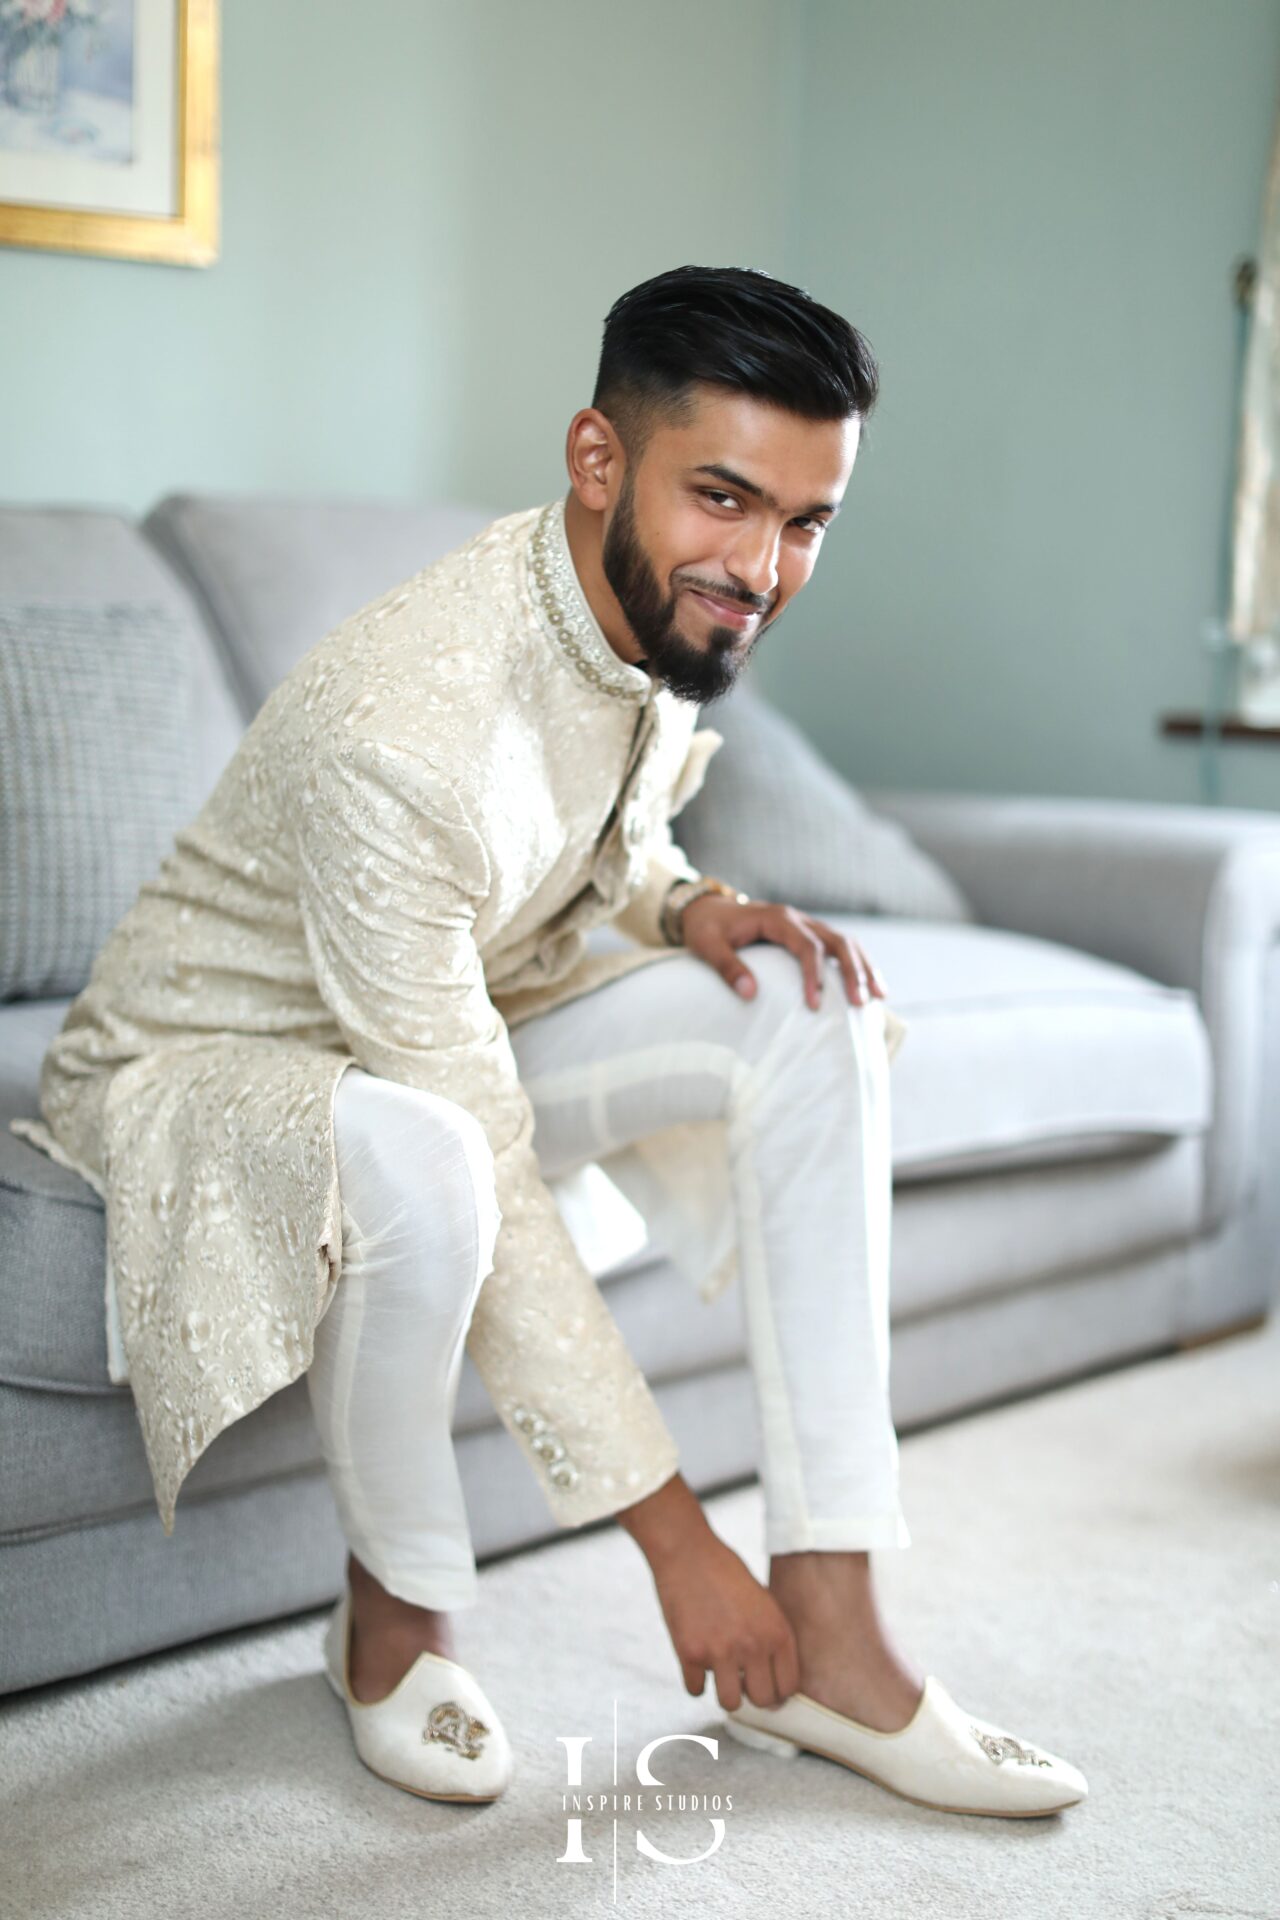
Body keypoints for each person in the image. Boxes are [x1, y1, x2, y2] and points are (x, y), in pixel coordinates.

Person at [11, 265, 1088, 1818]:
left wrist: (687, 904)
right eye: (725, 498)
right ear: (600, 459)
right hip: (203, 1061)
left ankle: (843, 1632)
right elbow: (487, 1148)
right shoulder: (399, 729)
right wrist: (677, 1543)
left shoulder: (634, 600)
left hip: (452, 1017)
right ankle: (391, 1626)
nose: (764, 566)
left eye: (806, 522)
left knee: (804, 1007)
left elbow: (571, 828)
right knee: (435, 1154)